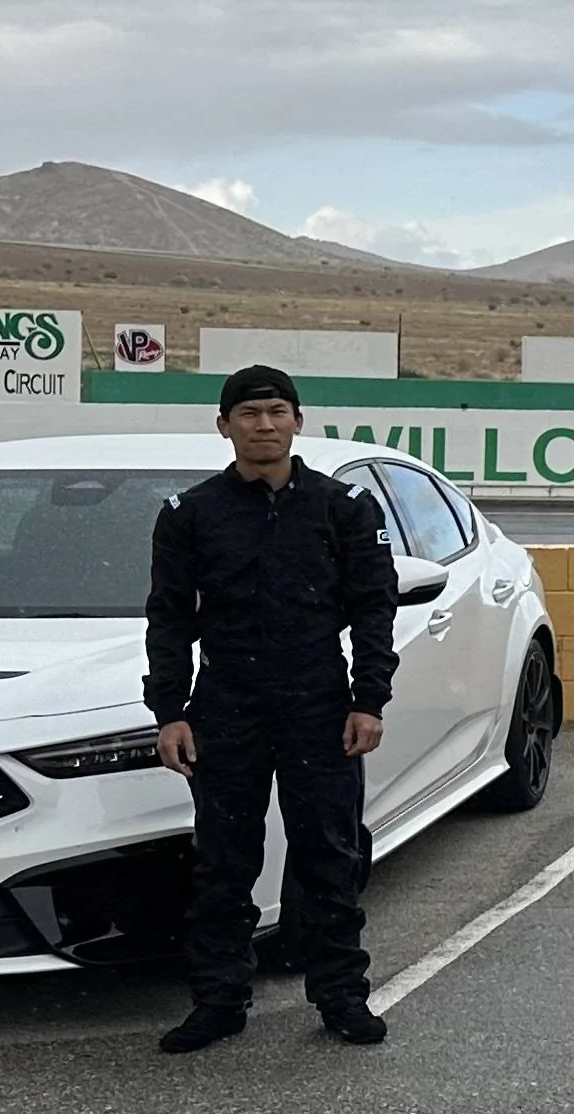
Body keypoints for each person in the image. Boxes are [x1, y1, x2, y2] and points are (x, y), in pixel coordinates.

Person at [143, 364, 400, 1053]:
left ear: (297, 421)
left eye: (276, 411)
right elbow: (168, 618)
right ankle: (219, 1000)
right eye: (249, 414)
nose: (264, 425)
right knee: (223, 860)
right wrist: (170, 710)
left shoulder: (342, 506)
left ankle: (340, 995)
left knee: (328, 856)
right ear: (222, 426)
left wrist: (367, 698)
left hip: (319, 703)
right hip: (225, 706)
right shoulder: (190, 514)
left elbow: (375, 608)